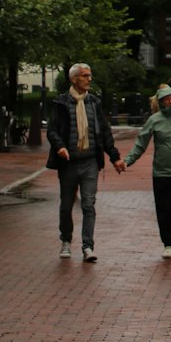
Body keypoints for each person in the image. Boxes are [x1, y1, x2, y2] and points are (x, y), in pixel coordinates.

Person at [46, 61, 125, 261]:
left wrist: (114, 157)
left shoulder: (94, 103)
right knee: (66, 206)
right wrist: (60, 147)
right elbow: (52, 130)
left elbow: (105, 133)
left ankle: (87, 246)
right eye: (84, 75)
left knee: (88, 204)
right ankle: (66, 241)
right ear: (74, 79)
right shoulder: (61, 103)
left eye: (90, 75)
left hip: (90, 161)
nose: (89, 79)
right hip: (68, 162)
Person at [125, 83, 171, 258]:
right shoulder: (155, 120)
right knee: (163, 208)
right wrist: (127, 161)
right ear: (161, 102)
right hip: (162, 172)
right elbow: (141, 142)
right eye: (167, 100)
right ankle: (166, 243)